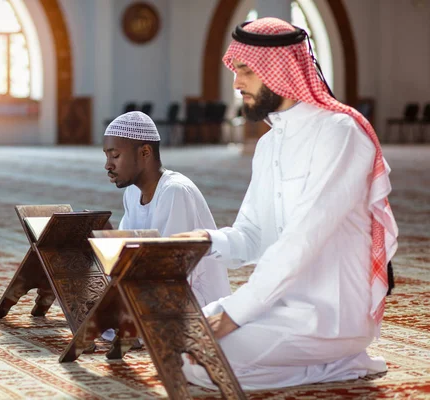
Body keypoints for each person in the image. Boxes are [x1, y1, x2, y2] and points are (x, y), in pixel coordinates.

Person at [175, 18, 398, 390]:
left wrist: (236, 311)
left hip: (329, 314)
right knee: (179, 338)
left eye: (246, 71)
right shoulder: (268, 145)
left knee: (208, 363)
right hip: (276, 305)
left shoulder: (340, 133)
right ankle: (325, 365)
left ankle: (342, 359)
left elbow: (304, 238)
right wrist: (206, 241)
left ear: (280, 71)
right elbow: (252, 234)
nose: (236, 82)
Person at [102, 111, 232, 309]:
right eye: (107, 156)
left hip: (194, 300)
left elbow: (169, 271)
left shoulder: (174, 191)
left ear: (145, 152)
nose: (108, 165)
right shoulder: (131, 192)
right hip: (153, 287)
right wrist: (106, 239)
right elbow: (129, 256)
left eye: (115, 155)